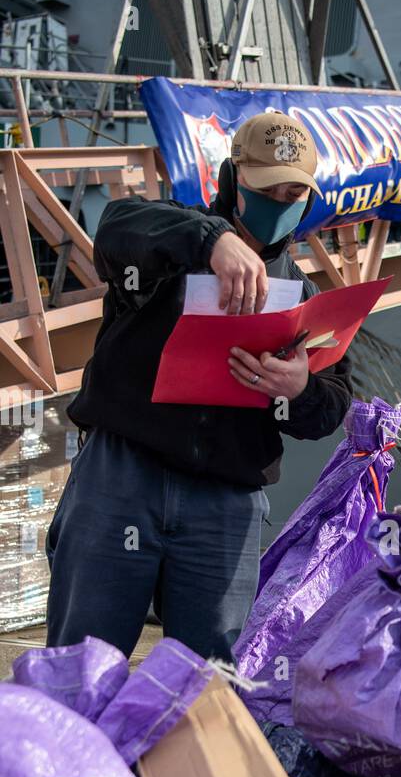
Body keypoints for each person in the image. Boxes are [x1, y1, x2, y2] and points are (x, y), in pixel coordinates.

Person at [47, 111, 351, 660]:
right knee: (80, 662)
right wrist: (210, 238)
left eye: (292, 194)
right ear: (234, 182)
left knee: (211, 683)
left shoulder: (305, 296)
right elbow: (117, 226)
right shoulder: (171, 239)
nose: (278, 205)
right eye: (265, 190)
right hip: (122, 476)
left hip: (226, 501)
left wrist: (300, 388)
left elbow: (331, 408)